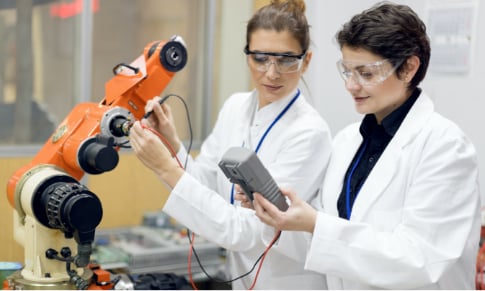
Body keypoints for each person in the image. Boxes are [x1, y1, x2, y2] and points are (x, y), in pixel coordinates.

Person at [252, 2, 481, 289]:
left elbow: (420, 259)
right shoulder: (349, 141)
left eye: (367, 74)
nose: (351, 86)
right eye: (348, 71)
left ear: (409, 68)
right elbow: (328, 246)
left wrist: (315, 224)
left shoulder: (445, 147)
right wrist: (281, 216)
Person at [129, 0, 331, 289]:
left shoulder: (310, 132)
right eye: (260, 58)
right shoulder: (236, 107)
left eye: (286, 59)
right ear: (247, 55)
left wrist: (164, 167)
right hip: (241, 278)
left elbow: (248, 230)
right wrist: (172, 144)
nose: (271, 73)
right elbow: (207, 182)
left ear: (306, 60)